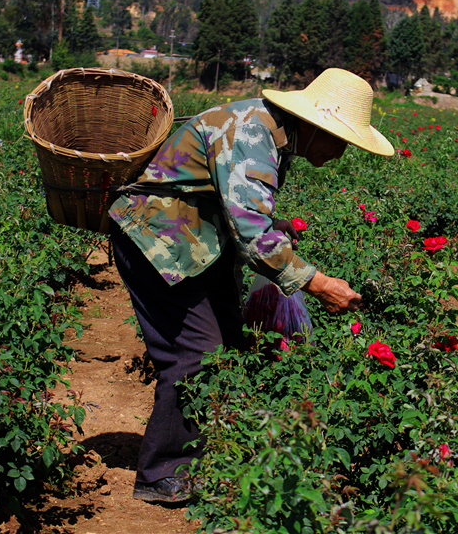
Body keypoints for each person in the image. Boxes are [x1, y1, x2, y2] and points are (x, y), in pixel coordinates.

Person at [107, 68, 394, 503]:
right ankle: (161, 473)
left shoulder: (274, 135)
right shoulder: (252, 134)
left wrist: (266, 226)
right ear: (317, 127)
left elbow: (235, 203)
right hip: (158, 240)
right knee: (194, 354)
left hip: (199, 241)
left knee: (229, 343)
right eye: (341, 140)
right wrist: (317, 283)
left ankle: (206, 447)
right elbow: (253, 232)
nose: (340, 153)